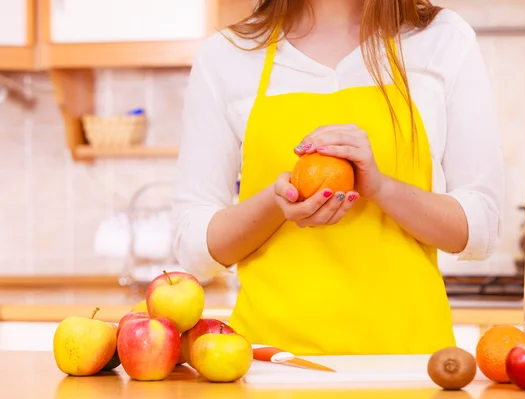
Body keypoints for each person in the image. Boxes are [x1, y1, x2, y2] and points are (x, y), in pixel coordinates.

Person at [172, 0, 504, 356]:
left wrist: (380, 187)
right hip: (271, 368)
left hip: (410, 367)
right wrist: (276, 203)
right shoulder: (227, 55)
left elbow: (481, 226)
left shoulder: (442, 40)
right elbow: (193, 245)